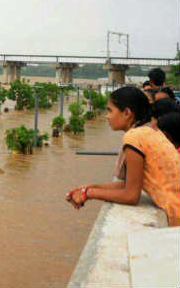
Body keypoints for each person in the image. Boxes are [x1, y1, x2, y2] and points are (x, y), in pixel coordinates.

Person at [65, 87, 180, 226]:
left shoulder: (134, 137)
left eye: (110, 110)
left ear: (126, 113)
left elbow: (131, 196)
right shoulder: (150, 131)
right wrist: (88, 188)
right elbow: (129, 184)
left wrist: (88, 194)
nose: (107, 116)